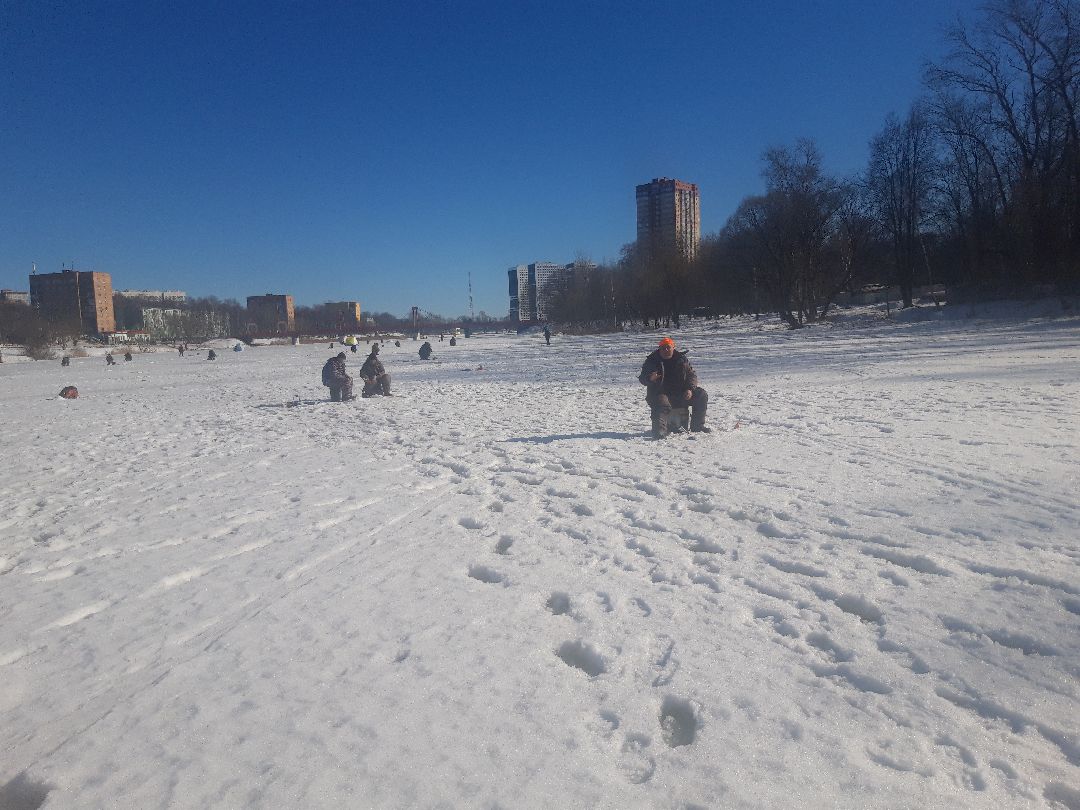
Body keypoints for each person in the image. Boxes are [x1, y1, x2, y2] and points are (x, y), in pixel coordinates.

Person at [638, 336, 710, 438]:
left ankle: (698, 426)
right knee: (661, 401)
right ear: (659, 349)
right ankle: (660, 431)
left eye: (668, 347)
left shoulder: (681, 359)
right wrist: (650, 378)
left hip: (681, 393)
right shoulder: (651, 361)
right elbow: (642, 379)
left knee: (701, 394)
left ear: (673, 347)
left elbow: (691, 375)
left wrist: (689, 389)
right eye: (663, 348)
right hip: (660, 394)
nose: (666, 350)